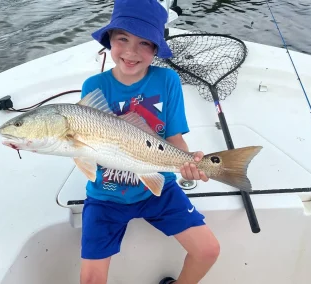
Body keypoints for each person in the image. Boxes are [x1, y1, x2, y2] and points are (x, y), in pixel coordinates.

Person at [79, 0, 220, 283]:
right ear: (110, 40)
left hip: (160, 187)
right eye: (122, 39)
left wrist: (190, 163)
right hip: (106, 194)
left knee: (208, 250)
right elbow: (82, 145)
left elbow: (174, 138)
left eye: (144, 43)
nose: (131, 51)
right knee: (91, 279)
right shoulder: (93, 87)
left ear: (156, 49)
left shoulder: (167, 79)